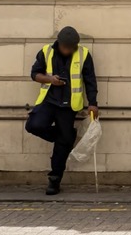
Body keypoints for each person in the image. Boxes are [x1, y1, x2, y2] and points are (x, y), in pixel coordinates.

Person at [25, 26, 98, 196]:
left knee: (62, 146)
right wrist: (50, 79)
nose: (69, 51)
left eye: (72, 48)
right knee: (34, 126)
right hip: (48, 101)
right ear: (59, 44)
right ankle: (65, 137)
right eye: (66, 48)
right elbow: (34, 74)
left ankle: (54, 180)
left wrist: (93, 104)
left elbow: (90, 81)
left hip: (69, 105)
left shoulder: (83, 54)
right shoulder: (46, 52)